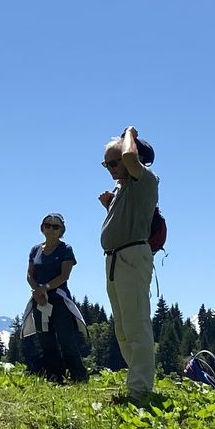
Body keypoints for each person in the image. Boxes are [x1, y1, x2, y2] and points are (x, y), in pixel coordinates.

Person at [99, 127, 160, 398]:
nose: (110, 168)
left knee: (136, 325)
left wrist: (129, 131)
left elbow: (130, 158)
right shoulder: (124, 189)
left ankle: (139, 389)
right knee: (123, 328)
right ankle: (136, 383)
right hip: (116, 259)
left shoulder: (145, 178)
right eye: (107, 163)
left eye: (114, 162)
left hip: (131, 257)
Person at [24, 213, 89, 384]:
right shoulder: (35, 250)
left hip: (59, 300)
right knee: (45, 339)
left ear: (62, 231)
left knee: (66, 339)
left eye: (55, 226)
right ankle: (54, 375)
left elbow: (64, 275)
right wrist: (37, 291)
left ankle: (79, 377)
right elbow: (30, 274)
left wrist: (44, 288)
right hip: (40, 300)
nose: (51, 229)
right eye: (48, 225)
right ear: (42, 228)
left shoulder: (65, 249)